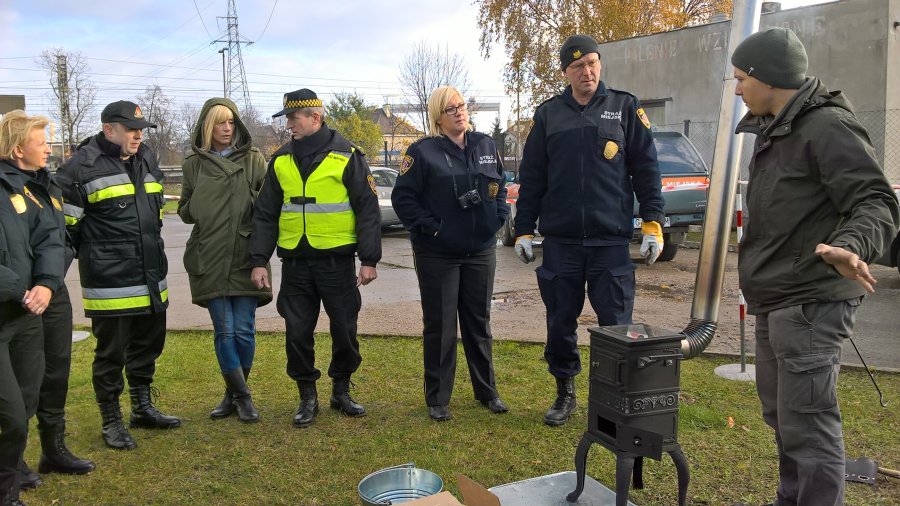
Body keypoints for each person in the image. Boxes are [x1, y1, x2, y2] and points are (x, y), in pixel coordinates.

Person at [731, 28, 899, 506]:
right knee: (784, 418)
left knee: (808, 424)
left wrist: (849, 246)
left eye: (742, 78)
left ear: (768, 78)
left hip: (810, 301)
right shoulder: (777, 127)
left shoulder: (825, 126)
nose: (739, 88)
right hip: (777, 298)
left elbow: (876, 201)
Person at [513, 34, 664, 427]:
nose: (588, 71)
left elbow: (646, 170)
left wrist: (652, 223)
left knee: (616, 326)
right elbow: (533, 176)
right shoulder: (549, 115)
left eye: (593, 63)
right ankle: (565, 393)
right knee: (560, 321)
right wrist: (523, 229)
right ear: (566, 72)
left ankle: (613, 402)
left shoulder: (625, 107)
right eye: (578, 66)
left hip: (610, 242)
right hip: (561, 242)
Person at [249, 89, 381, 428]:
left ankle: (341, 390)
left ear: (315, 118)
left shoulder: (347, 155)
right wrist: (259, 260)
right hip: (295, 263)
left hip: (336, 262)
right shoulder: (280, 159)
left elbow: (367, 209)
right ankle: (307, 395)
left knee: (345, 328)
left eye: (293, 118)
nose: (288, 125)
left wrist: (369, 259)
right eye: (288, 119)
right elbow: (265, 214)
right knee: (296, 331)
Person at [56, 101, 181, 451]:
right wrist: (101, 254)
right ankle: (111, 420)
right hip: (110, 281)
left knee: (148, 345)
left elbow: (153, 215)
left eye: (141, 128)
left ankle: (142, 408)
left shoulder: (147, 159)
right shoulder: (80, 168)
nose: (138, 134)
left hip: (151, 274)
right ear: (109, 129)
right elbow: (68, 231)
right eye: (130, 128)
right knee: (111, 353)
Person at [391, 86, 510, 422]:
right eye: (450, 109)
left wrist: (498, 218)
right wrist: (434, 228)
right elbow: (404, 199)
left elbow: (499, 185)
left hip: (481, 249)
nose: (459, 112)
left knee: (478, 323)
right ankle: (438, 398)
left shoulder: (486, 145)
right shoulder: (422, 152)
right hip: (438, 253)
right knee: (441, 325)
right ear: (437, 117)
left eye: (462, 106)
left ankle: (487, 392)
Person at [178, 98, 272, 423]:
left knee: (244, 330)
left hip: (246, 254)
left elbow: (267, 203)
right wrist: (203, 202)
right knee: (225, 330)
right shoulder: (193, 163)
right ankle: (243, 398)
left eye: (231, 122)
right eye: (220, 122)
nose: (227, 128)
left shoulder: (254, 159)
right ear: (208, 125)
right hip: (209, 254)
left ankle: (232, 394)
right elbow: (185, 209)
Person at [0, 110, 65, 506]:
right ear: (18, 146)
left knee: (24, 405)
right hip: (9, 308)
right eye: (42, 142)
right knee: (8, 415)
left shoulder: (29, 189)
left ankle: (8, 490)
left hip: (24, 315)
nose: (49, 149)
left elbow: (50, 241)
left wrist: (45, 283)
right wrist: (22, 288)